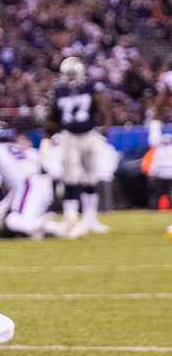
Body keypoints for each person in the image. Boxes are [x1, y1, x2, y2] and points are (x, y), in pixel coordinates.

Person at [0, 121, 64, 239]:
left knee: (12, 221)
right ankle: (45, 227)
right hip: (42, 185)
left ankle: (55, 227)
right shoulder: (20, 148)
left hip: (29, 185)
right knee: (11, 220)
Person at [46, 56, 112, 236]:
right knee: (70, 177)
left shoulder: (90, 87)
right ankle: (70, 217)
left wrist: (105, 127)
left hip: (89, 134)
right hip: (68, 136)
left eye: (73, 74)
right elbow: (52, 114)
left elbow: (103, 106)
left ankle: (91, 218)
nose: (71, 78)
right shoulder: (59, 90)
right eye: (68, 75)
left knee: (91, 177)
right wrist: (49, 134)